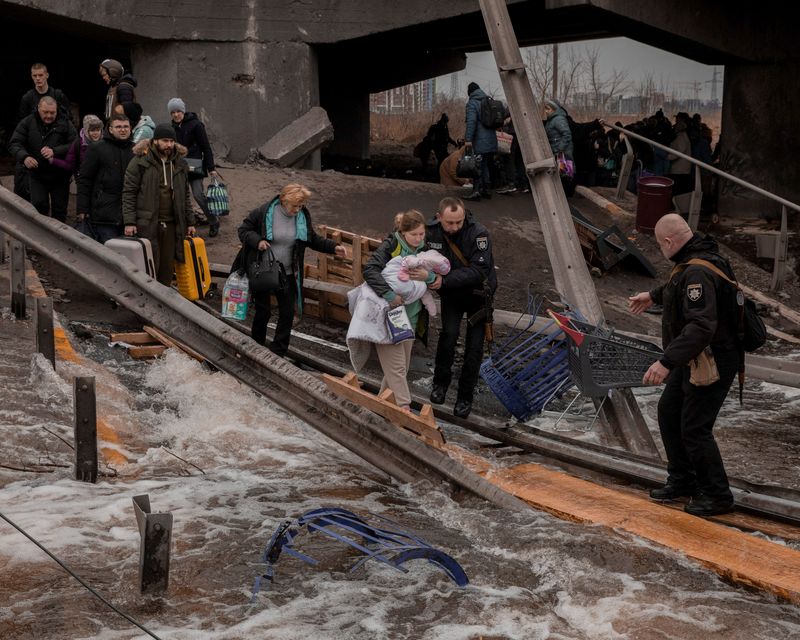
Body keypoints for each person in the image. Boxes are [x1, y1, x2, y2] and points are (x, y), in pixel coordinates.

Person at [628, 213, 740, 517]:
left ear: (667, 241)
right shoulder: (696, 258)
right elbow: (678, 286)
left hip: (713, 358)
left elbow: (701, 326)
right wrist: (653, 296)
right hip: (693, 355)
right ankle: (683, 479)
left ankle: (718, 496)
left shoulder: (698, 272)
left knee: (694, 426)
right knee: (669, 411)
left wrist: (666, 362)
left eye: (660, 245)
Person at [234, 184, 345, 356]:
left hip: (288, 273)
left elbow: (312, 239)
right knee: (263, 311)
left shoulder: (302, 216)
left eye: (300, 206)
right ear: (284, 200)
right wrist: (258, 241)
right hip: (263, 271)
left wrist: (333, 247)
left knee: (287, 313)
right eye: (295, 206)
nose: (297, 210)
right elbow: (243, 230)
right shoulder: (263, 212)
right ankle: (256, 346)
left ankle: (278, 351)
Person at [425, 197, 497, 418]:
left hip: (477, 295)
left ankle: (465, 397)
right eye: (450, 223)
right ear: (439, 218)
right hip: (452, 295)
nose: (455, 227)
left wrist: (444, 281)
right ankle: (440, 385)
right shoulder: (432, 232)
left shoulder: (479, 234)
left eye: (459, 222)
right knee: (448, 336)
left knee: (474, 348)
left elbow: (479, 271)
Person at [359, 211, 438, 410]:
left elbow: (434, 276)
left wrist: (427, 276)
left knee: (399, 368)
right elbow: (370, 270)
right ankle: (404, 407)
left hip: (411, 317)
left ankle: (379, 407)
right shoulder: (391, 246)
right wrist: (389, 295)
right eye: (414, 235)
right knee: (397, 367)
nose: (419, 239)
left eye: (422, 234)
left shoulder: (423, 248)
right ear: (403, 233)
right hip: (389, 315)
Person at [122, 123, 196, 286]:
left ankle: (163, 302)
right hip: (148, 222)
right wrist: (129, 221)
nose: (168, 145)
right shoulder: (140, 162)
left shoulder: (180, 164)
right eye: (164, 141)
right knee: (147, 265)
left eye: (171, 141)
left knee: (167, 267)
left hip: (172, 224)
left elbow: (185, 195)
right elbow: (129, 193)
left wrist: (190, 221)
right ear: (155, 141)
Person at [8, 96, 76, 222]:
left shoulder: (65, 123)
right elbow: (14, 143)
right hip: (37, 174)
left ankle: (59, 239)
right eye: (46, 112)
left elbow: (75, 144)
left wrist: (55, 151)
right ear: (39, 109)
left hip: (59, 174)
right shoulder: (28, 122)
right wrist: (25, 157)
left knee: (60, 210)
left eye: (52, 112)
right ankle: (41, 238)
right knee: (39, 206)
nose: (49, 116)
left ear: (56, 110)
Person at [15, 64, 72, 202]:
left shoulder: (57, 95)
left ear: (47, 75)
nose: (38, 78)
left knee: (60, 200)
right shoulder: (28, 98)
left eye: (40, 75)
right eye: (34, 76)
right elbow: (22, 125)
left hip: (56, 146)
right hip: (35, 148)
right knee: (32, 196)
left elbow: (68, 120)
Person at [77, 114, 134, 243]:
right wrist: (82, 209)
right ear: (110, 129)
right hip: (103, 215)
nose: (123, 129)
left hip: (129, 216)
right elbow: (85, 179)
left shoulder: (135, 150)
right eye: (118, 127)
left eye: (126, 126)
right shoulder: (97, 148)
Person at [168, 98, 220, 237]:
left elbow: (206, 147)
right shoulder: (171, 127)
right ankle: (185, 224)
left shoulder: (196, 125)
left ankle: (213, 220)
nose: (176, 115)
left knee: (198, 195)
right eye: (173, 112)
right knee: (180, 197)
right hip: (178, 167)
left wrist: (211, 168)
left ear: (183, 111)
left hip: (195, 166)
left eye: (178, 111)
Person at [463, 82, 498, 201]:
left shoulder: (472, 103)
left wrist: (468, 139)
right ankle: (486, 189)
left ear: (470, 92)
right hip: (491, 139)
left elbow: (471, 122)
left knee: (476, 165)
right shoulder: (488, 100)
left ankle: (476, 190)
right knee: (484, 165)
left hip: (479, 140)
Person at [49, 114, 103, 178]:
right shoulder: (78, 144)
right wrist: (53, 160)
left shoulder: (106, 143)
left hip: (102, 183)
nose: (96, 133)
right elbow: (70, 165)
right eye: (92, 130)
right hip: (85, 183)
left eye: (98, 130)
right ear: (86, 131)